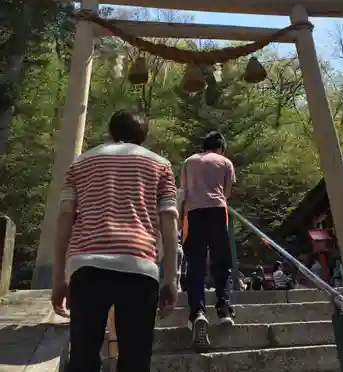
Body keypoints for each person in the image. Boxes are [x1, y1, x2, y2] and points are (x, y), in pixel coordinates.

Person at [51, 110, 179, 372]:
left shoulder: (79, 164)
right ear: (143, 137)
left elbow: (64, 219)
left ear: (111, 132)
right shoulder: (161, 165)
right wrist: (170, 278)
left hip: (87, 265)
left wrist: (58, 279)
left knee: (83, 356)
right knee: (136, 358)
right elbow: (169, 222)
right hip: (140, 267)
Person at [179, 131, 236, 350]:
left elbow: (183, 192)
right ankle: (224, 310)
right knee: (222, 262)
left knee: (195, 264)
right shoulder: (225, 162)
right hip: (218, 212)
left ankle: (198, 312)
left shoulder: (188, 162)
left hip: (194, 213)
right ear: (220, 147)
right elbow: (227, 193)